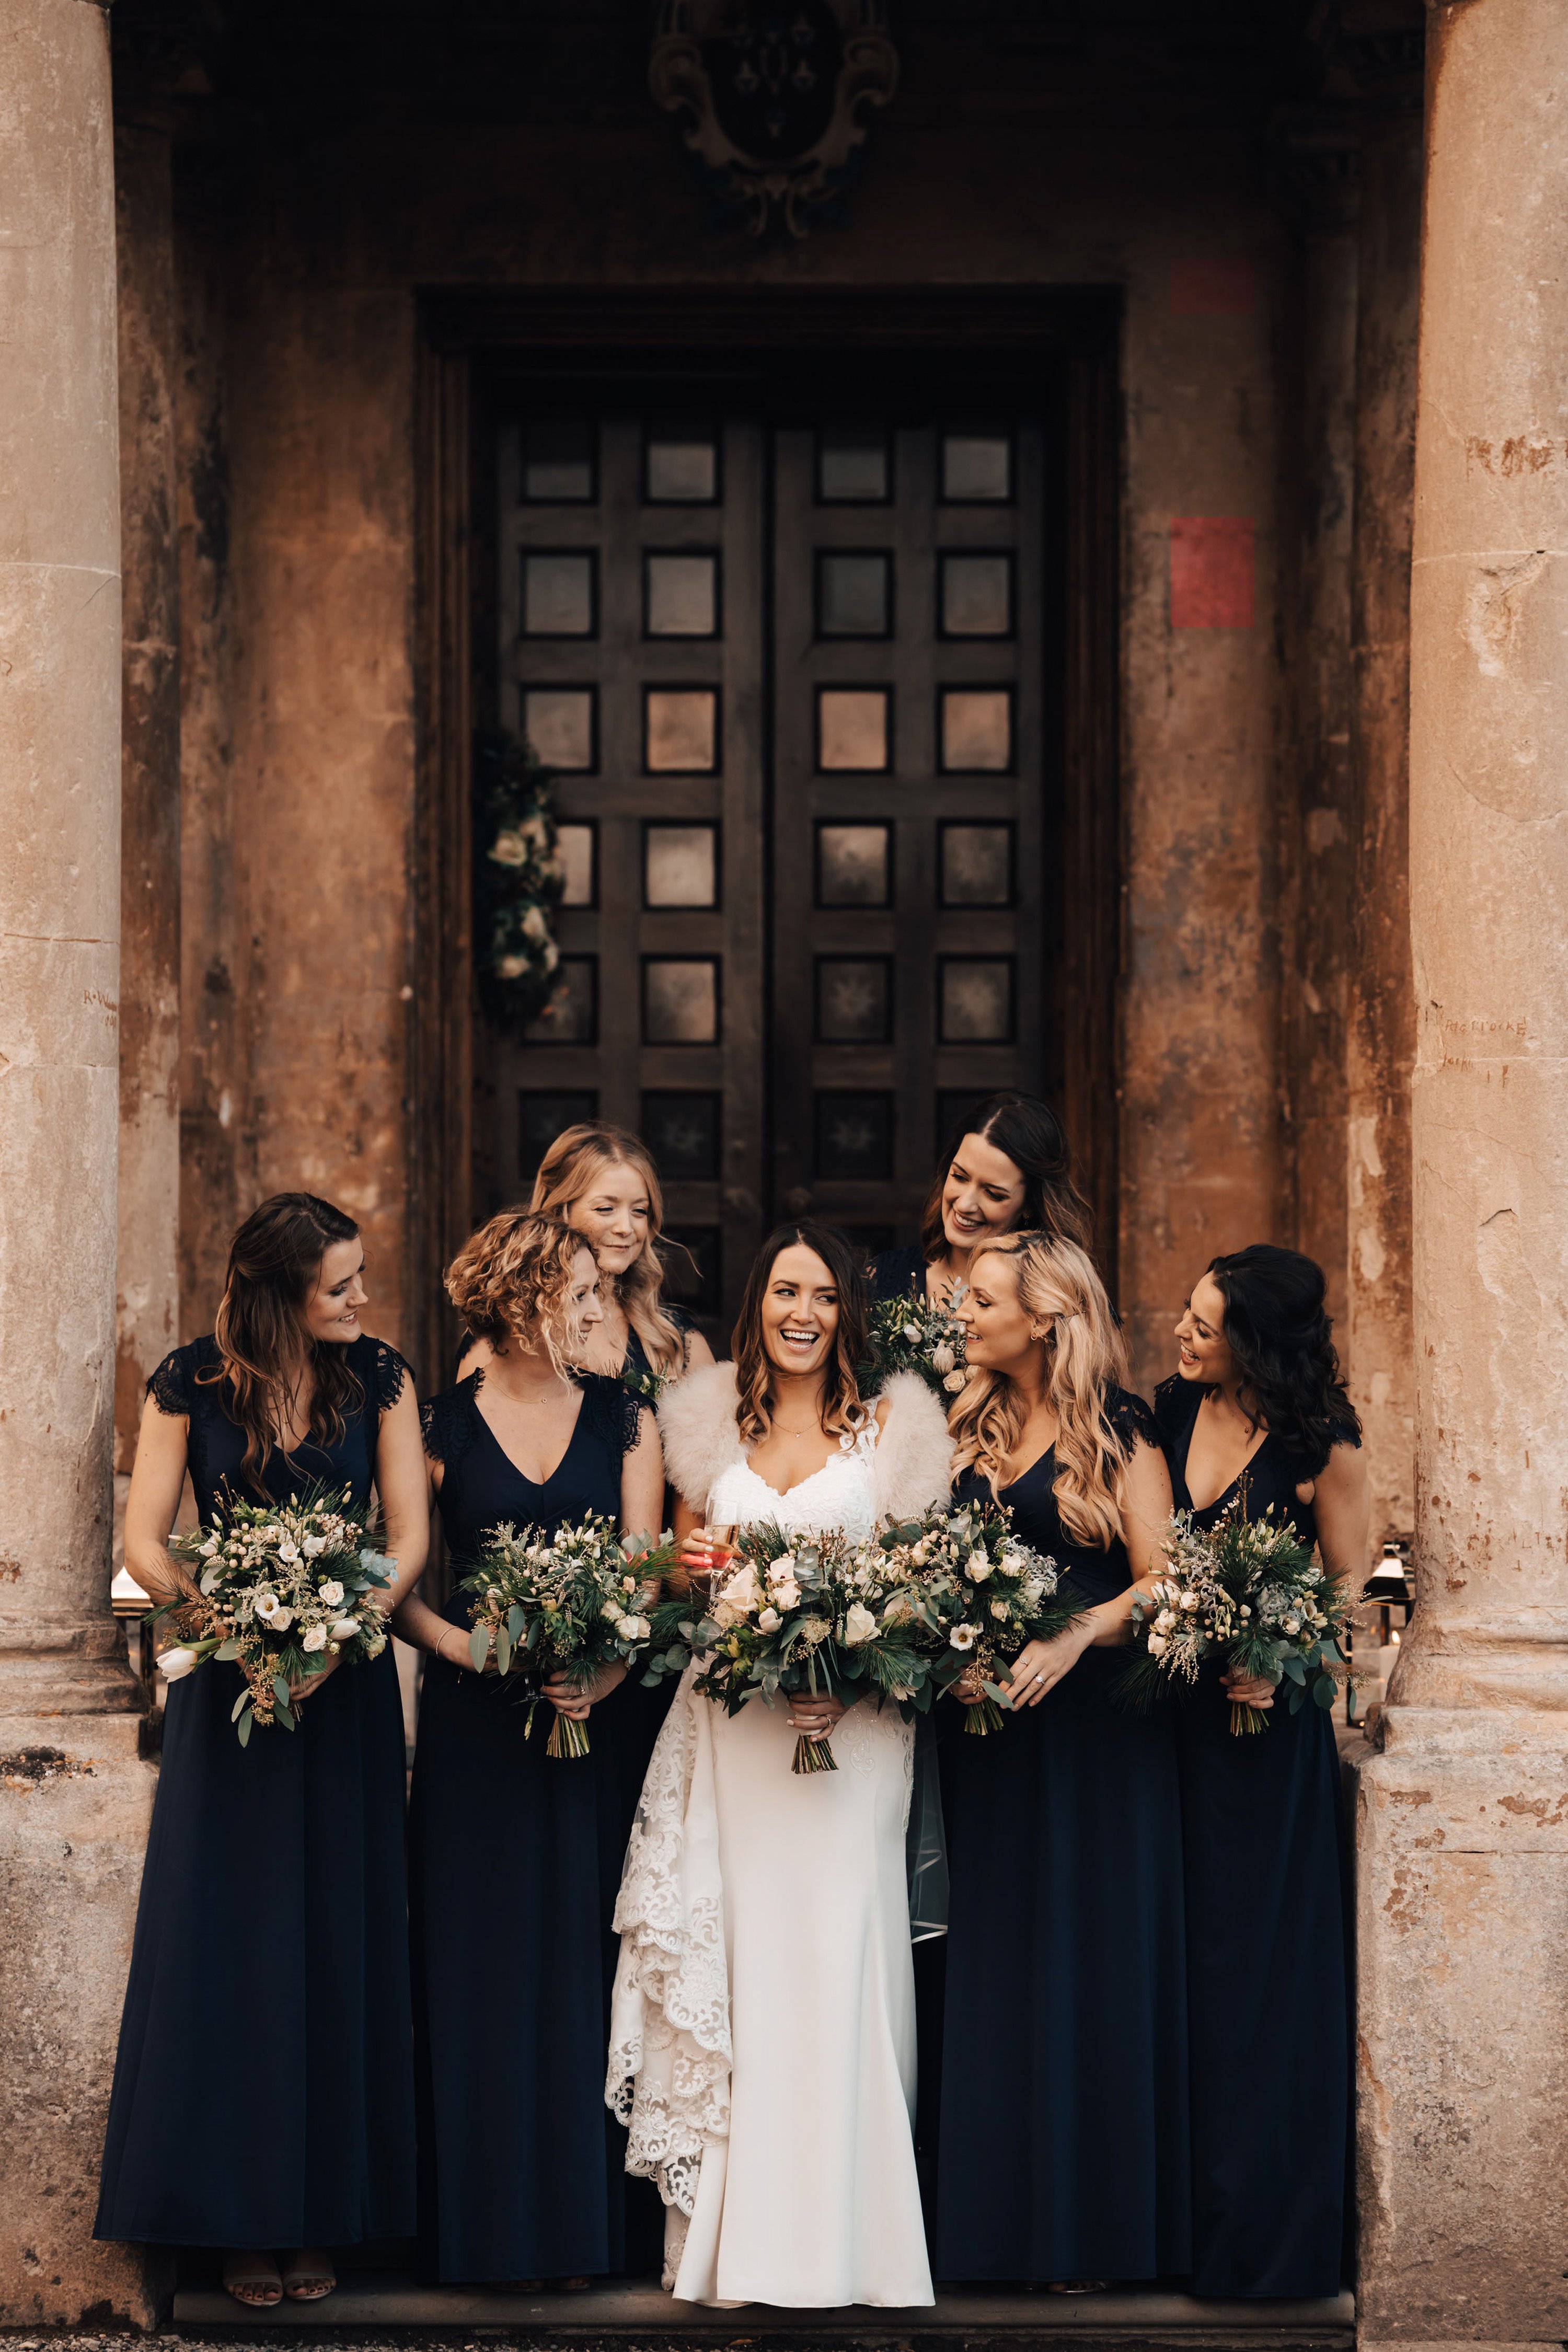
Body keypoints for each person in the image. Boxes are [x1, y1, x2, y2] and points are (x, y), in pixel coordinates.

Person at [607, 1222, 952, 2309]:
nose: (802, 1313)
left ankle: (857, 2244)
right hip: (737, 1724)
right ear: (758, 1304)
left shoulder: (896, 1424)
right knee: (749, 1968)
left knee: (840, 1958)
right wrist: (692, 1571)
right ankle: (742, 2247)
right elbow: (669, 1566)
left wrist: (849, 1675)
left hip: (856, 1737)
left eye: (823, 1296)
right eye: (784, 1293)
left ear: (848, 1310)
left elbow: (926, 1588)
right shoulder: (707, 1419)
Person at [95, 1195, 426, 2309]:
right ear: (283, 1291)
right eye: (342, 1284)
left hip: (342, 1698)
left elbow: (407, 1532)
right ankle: (236, 2218)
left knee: (337, 1938)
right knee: (232, 1950)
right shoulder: (188, 1381)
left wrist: (342, 1631)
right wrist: (232, 1622)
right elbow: (145, 1541)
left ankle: (329, 2211)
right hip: (231, 1703)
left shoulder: (380, 1376)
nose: (362, 1299)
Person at [393, 1211, 668, 2288]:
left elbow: (644, 1572)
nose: (599, 1309)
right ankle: (484, 2233)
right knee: (483, 1968)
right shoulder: (442, 1424)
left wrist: (603, 1670)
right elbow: (396, 1580)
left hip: (596, 1729)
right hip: (478, 1736)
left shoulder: (625, 1417)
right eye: (581, 1294)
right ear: (522, 1301)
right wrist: (474, 1651)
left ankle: (589, 2231)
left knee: (588, 1965)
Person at [934, 1229, 1189, 2290]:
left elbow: (1167, 1585)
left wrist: (1076, 1633)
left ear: (1044, 1316)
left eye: (982, 1299)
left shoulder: (1119, 1431)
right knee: (994, 1975)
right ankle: (994, 2236)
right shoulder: (968, 1419)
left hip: (1094, 1752)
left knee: (1084, 1972)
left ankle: (1090, 2237)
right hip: (987, 1743)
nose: (963, 1312)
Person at [1156, 1244, 1366, 2299]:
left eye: (1204, 1324)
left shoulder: (1320, 1442)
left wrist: (1279, 1660)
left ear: (1256, 1341)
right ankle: (1177, 2229)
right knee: (1183, 1976)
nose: (1183, 1335)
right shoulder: (1160, 1413)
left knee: (1264, 1987)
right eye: (1187, 1318)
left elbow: (1345, 1598)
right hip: (1173, 1739)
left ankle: (1272, 2242)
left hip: (1269, 1749)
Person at [460, 1123, 714, 1393]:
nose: (626, 1228)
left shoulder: (677, 1340)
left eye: (640, 1211)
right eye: (606, 1209)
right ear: (559, 1209)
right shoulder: (506, 1335)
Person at [869, 1092, 1095, 1308]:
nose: (965, 1205)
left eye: (993, 1194)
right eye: (959, 1177)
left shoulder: (1062, 1299)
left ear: (1030, 1205)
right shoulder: (878, 1280)